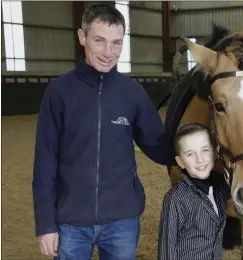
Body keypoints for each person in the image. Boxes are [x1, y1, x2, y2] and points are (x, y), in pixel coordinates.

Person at [32, 3, 175, 259]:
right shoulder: (59, 92)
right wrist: (45, 224)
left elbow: (160, 147)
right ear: (82, 37)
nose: (109, 52)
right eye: (100, 41)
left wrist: (201, 147)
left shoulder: (133, 94)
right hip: (70, 223)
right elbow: (45, 161)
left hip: (122, 221)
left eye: (117, 42)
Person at [157, 123, 230, 260]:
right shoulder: (175, 198)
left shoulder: (220, 186)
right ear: (180, 162)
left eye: (205, 150)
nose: (200, 159)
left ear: (215, 153)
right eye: (190, 154)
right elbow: (167, 248)